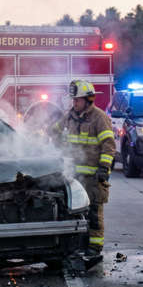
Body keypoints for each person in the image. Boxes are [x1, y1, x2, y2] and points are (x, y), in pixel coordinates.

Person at [52, 79, 116, 261]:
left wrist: (104, 167)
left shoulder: (99, 117)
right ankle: (75, 244)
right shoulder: (69, 116)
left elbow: (108, 144)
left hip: (93, 176)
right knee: (71, 211)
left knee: (94, 212)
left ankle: (94, 247)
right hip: (73, 175)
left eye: (77, 100)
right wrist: (58, 151)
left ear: (88, 100)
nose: (74, 103)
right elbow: (54, 131)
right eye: (73, 100)